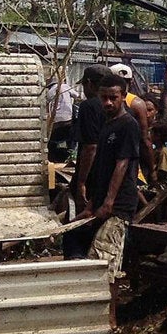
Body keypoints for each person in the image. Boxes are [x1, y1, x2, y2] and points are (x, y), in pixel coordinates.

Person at [79, 78, 143, 273]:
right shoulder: (107, 124)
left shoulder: (128, 125)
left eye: (113, 98)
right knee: (96, 261)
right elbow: (101, 168)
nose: (108, 102)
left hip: (119, 204)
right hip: (102, 202)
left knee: (106, 263)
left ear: (123, 96)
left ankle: (111, 303)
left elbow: (122, 164)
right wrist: (92, 204)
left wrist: (109, 202)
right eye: (104, 98)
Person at [63, 65, 108, 258]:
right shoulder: (123, 108)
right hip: (109, 179)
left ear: (89, 83)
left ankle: (74, 266)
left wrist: (81, 181)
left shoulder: (89, 106)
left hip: (91, 178)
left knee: (76, 226)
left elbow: (91, 146)